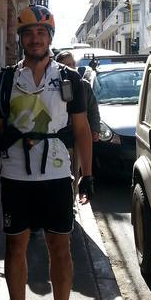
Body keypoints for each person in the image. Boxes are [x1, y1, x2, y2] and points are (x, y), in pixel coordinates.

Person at [0, 5, 93, 300]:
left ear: (50, 39)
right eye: (28, 33)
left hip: (57, 176)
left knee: (61, 249)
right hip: (15, 176)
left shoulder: (69, 80)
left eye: (41, 33)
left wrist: (87, 174)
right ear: (21, 38)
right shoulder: (5, 80)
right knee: (15, 250)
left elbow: (81, 129)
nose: (34, 38)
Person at [55, 49, 100, 203]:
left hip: (80, 135)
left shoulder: (83, 85)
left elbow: (93, 108)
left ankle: (72, 199)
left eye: (72, 64)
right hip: (62, 136)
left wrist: (95, 129)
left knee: (76, 169)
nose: (71, 67)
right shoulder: (54, 85)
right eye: (66, 64)